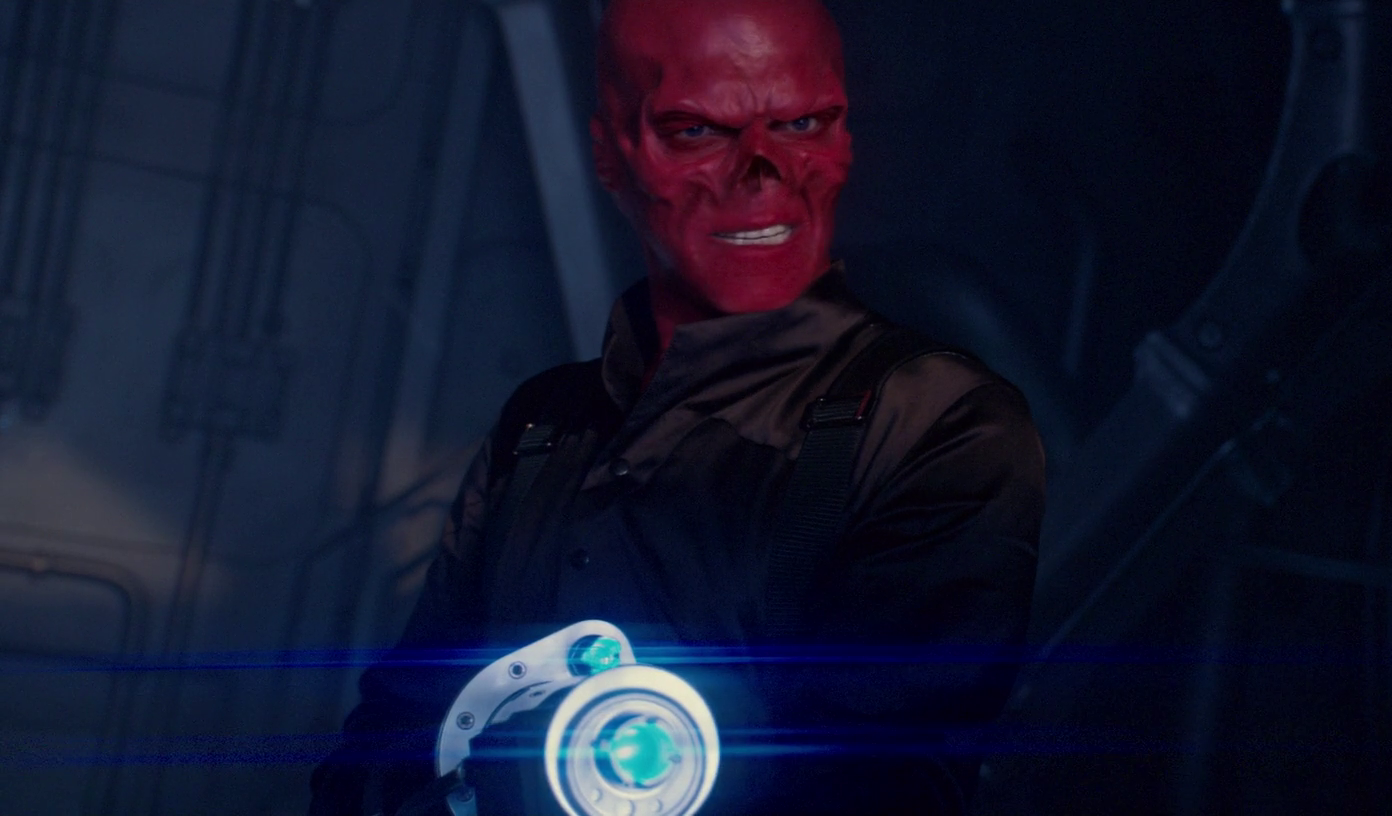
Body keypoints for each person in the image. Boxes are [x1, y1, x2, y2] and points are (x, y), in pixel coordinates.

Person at [307, 0, 1045, 813]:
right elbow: (385, 745)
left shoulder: (936, 424)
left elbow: (896, 783)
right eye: (697, 130)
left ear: (843, 143)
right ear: (609, 156)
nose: (761, 168)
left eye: (800, 123)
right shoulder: (543, 425)